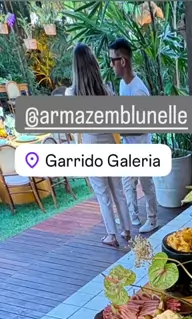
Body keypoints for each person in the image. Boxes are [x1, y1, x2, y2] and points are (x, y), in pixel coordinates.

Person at [66, 43, 131, 248]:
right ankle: (127, 230)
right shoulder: (106, 91)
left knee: (103, 194)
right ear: (94, 64)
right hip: (110, 145)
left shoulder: (71, 94)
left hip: (91, 148)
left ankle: (111, 235)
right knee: (118, 190)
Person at [108, 37, 158, 233]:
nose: (111, 65)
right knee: (128, 182)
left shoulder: (138, 90)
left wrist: (119, 130)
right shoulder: (123, 85)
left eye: (112, 60)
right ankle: (133, 217)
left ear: (122, 61)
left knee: (146, 185)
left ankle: (152, 219)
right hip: (129, 146)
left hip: (142, 147)